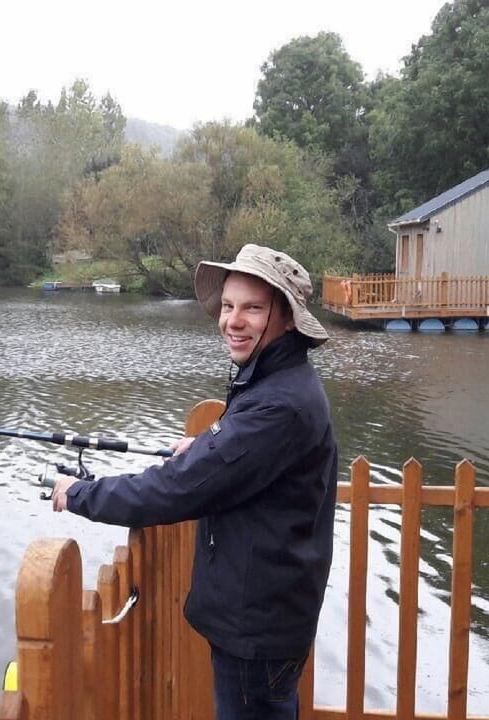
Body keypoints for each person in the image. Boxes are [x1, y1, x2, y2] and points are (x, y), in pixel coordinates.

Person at [51, 243, 338, 720]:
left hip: (257, 626)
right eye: (228, 306)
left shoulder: (279, 403)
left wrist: (80, 492)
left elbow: (176, 488)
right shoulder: (274, 381)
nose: (233, 320)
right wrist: (206, 446)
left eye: (252, 308)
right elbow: (241, 457)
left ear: (286, 318)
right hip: (270, 614)